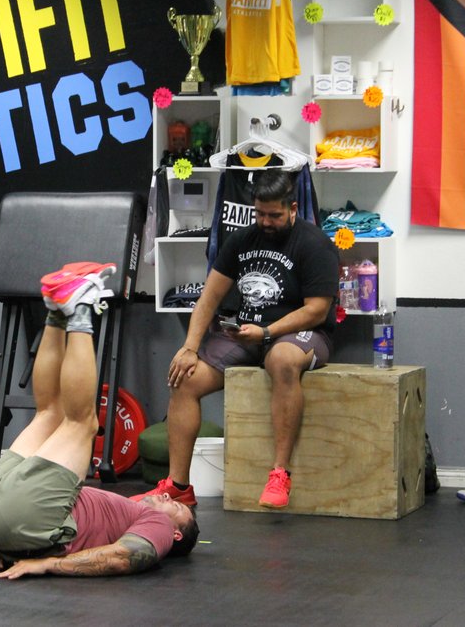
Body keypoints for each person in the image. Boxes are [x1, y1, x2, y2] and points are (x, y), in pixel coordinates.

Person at [0, 262, 199, 579]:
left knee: (84, 423)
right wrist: (3, 544)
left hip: (22, 516)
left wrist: (47, 563)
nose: (167, 497)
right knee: (49, 412)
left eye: (179, 508)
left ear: (175, 533)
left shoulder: (158, 526)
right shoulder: (126, 511)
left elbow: (124, 557)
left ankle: (79, 307)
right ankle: (55, 311)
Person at [132, 169, 339, 509]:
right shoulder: (242, 240)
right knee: (184, 377)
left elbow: (316, 310)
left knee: (281, 359)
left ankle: (280, 474)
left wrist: (268, 332)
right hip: (247, 334)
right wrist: (189, 348)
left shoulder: (315, 244)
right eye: (260, 214)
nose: (266, 222)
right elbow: (209, 299)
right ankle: (178, 485)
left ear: (292, 209)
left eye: (274, 215)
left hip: (303, 335)